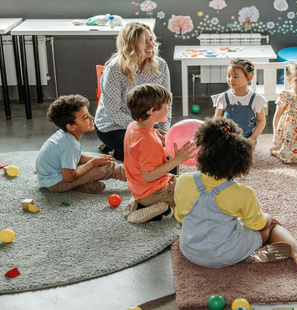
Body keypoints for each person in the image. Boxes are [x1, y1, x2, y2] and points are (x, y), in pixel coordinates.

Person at [174, 117, 297, 272]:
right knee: (272, 227)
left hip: (191, 250)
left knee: (226, 221)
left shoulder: (183, 181)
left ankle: (250, 255)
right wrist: (269, 218)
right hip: (226, 252)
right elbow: (258, 225)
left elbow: (181, 217)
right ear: (240, 161)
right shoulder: (243, 193)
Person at [94, 22, 172, 161]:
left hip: (149, 120)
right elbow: (113, 112)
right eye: (144, 42)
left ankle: (120, 151)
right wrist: (147, 129)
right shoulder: (114, 69)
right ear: (130, 45)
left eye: (151, 40)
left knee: (164, 151)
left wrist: (165, 130)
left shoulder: (161, 65)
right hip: (114, 126)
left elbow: (166, 102)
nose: (151, 45)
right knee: (147, 152)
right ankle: (115, 149)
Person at [122, 84, 197, 224]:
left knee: (188, 181)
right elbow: (149, 176)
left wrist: (168, 152)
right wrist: (176, 160)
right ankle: (165, 210)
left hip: (140, 188)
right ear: (152, 111)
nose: (168, 109)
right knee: (195, 199)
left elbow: (144, 158)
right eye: (166, 106)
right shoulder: (148, 141)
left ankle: (141, 203)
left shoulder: (133, 127)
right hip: (153, 192)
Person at [36, 95, 126, 194]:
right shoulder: (70, 145)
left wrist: (95, 160)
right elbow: (69, 177)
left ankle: (82, 185)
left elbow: (77, 156)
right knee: (108, 168)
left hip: (49, 179)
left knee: (98, 162)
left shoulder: (64, 135)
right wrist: (92, 163)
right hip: (57, 183)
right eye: (85, 117)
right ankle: (140, 178)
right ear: (71, 126)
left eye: (89, 114)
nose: (92, 118)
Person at [212, 58, 267, 141]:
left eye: (236, 76)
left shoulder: (257, 99)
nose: (231, 80)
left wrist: (252, 138)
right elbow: (217, 120)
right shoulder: (223, 98)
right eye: (229, 76)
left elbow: (261, 121)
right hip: (226, 139)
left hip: (247, 140)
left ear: (249, 78)